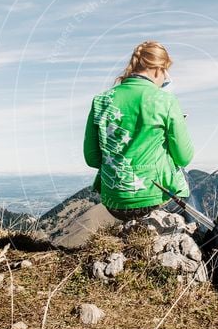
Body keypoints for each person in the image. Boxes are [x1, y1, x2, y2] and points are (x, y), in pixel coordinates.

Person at [83, 40, 202, 229]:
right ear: (158, 69)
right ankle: (199, 238)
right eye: (165, 71)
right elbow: (184, 157)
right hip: (154, 198)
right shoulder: (165, 100)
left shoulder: (101, 101)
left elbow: (93, 159)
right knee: (185, 178)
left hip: (114, 202)